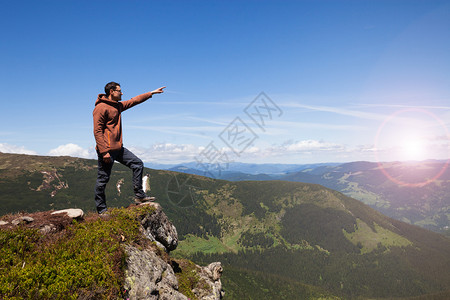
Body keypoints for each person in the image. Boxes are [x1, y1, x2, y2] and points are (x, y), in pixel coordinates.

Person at [93, 81, 165, 214]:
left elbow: (134, 101)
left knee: (137, 164)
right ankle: (102, 210)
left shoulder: (117, 106)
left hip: (119, 149)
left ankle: (139, 196)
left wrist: (151, 93)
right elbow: (97, 131)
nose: (122, 93)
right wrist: (104, 152)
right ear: (111, 92)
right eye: (119, 91)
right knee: (103, 179)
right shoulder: (101, 108)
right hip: (107, 150)